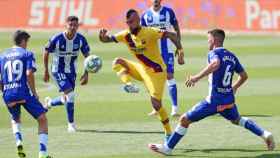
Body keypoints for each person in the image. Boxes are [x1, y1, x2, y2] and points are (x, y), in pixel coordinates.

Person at [148, 29, 275, 155]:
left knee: (184, 119)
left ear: (214, 40)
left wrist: (196, 78)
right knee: (238, 120)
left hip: (213, 102)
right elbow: (244, 76)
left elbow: (216, 64)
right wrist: (234, 87)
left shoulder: (213, 53)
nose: (208, 42)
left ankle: (168, 148)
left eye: (208, 39)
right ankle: (265, 134)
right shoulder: (231, 56)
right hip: (228, 101)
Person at [99, 9, 184, 141]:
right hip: (141, 69)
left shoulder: (149, 32)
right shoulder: (125, 35)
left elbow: (172, 35)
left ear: (138, 21)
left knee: (156, 104)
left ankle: (168, 133)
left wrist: (180, 50)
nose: (129, 24)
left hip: (157, 72)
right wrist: (102, 37)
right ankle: (129, 85)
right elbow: (107, 40)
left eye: (132, 21)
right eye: (127, 22)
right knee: (118, 62)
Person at [0, 30, 52, 158]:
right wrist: (34, 93)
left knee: (15, 119)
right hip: (23, 93)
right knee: (42, 119)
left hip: (8, 94)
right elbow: (29, 74)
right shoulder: (27, 54)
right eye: (27, 41)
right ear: (23, 41)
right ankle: (43, 154)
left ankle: (19, 143)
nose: (27, 44)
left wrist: (4, 92)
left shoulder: (2, 56)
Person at [43, 16, 90, 132]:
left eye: (75, 25)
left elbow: (87, 57)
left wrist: (86, 74)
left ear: (78, 26)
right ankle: (71, 124)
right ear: (66, 25)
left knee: (67, 98)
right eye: (71, 25)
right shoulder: (57, 38)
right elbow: (46, 52)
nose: (73, 27)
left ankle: (49, 103)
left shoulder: (81, 39)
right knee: (71, 95)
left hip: (71, 71)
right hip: (58, 70)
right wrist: (46, 71)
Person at [141, 0, 184, 116]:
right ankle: (156, 108)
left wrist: (178, 45)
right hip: (152, 52)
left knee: (169, 76)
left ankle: (174, 109)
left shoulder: (169, 12)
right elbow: (141, 34)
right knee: (153, 78)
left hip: (167, 50)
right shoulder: (145, 15)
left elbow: (176, 28)